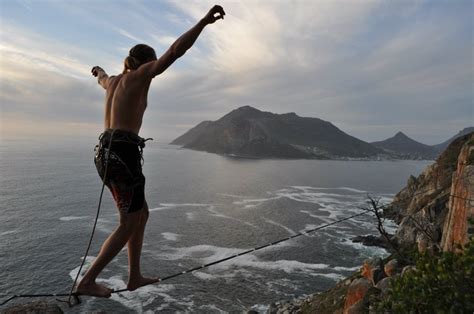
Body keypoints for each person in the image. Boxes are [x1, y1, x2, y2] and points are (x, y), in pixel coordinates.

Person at [75, 5, 226, 298]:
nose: (154, 70)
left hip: (107, 153)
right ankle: (87, 281)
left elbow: (102, 77)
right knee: (128, 221)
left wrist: (97, 70)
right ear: (145, 62)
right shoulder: (141, 75)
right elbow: (175, 51)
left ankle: (134, 277)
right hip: (122, 154)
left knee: (141, 214)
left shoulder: (112, 83)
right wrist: (204, 22)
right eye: (152, 64)